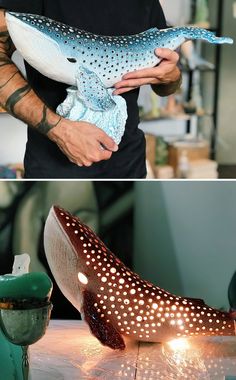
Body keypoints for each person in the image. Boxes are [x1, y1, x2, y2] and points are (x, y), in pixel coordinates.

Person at [0, 1, 181, 179]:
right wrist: (59, 131)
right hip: (54, 168)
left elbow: (165, 88)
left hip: (129, 164)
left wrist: (171, 76)